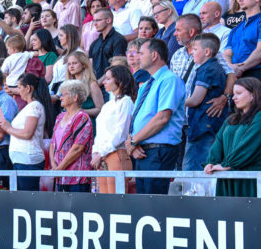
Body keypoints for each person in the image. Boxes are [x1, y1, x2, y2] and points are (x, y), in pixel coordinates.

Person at [126, 39, 187, 194]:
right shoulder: (147, 84)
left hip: (158, 151)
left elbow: (162, 118)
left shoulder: (170, 79)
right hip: (141, 150)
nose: (137, 57)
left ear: (154, 55)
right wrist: (130, 144)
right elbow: (136, 117)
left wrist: (134, 141)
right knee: (143, 203)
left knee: (154, 205)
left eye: (141, 53)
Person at [0, 73, 52, 192]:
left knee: (28, 197)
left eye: (19, 87)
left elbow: (27, 133)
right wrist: (6, 126)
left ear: (28, 88)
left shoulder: (34, 106)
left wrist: (7, 128)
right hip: (21, 159)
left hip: (28, 159)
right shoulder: (29, 107)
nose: (17, 90)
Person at [206, 77, 261, 196]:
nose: (234, 97)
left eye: (239, 93)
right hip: (226, 176)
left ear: (253, 95)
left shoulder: (259, 117)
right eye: (233, 94)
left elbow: (249, 146)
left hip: (249, 179)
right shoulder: (231, 119)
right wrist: (211, 162)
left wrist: (227, 165)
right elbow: (218, 141)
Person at [183, 34, 229, 171]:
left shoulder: (208, 69)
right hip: (205, 125)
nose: (191, 52)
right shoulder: (210, 67)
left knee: (194, 167)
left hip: (202, 126)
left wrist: (176, 101)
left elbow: (196, 99)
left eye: (195, 49)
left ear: (207, 52)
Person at [92, 65, 136, 194]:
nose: (104, 82)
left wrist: (101, 153)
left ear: (120, 81)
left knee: (116, 199)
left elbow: (121, 133)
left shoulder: (126, 101)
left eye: (108, 79)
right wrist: (96, 152)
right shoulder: (107, 105)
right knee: (104, 199)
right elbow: (100, 132)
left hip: (116, 153)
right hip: (102, 156)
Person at [50, 80, 95, 192]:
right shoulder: (60, 117)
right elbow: (52, 143)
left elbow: (78, 148)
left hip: (77, 177)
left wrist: (59, 168)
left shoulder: (82, 117)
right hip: (60, 176)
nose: (60, 97)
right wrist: (54, 166)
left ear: (75, 97)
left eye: (64, 94)